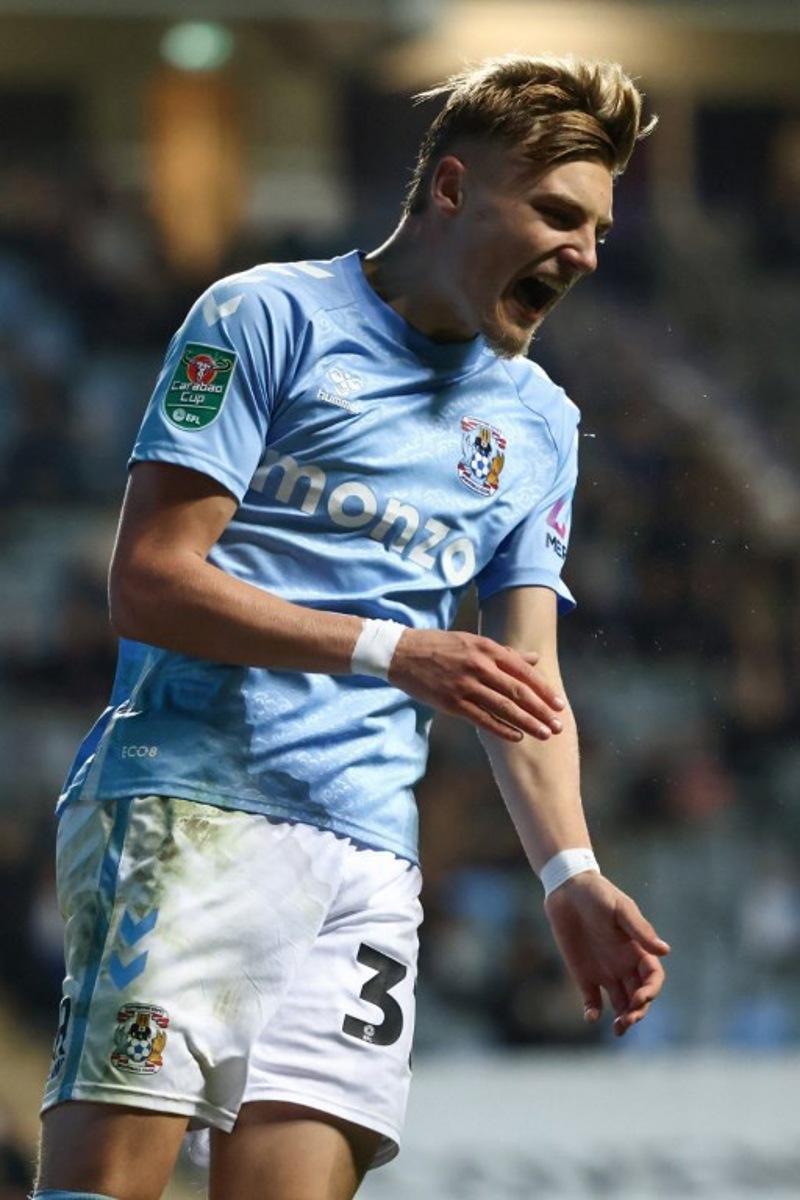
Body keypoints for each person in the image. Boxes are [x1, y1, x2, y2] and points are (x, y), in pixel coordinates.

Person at [36, 53, 670, 1200]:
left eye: (597, 233)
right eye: (555, 214)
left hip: (369, 865)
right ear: (450, 189)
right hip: (192, 810)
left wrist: (568, 871)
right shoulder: (264, 316)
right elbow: (149, 580)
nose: (580, 252)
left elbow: (522, 677)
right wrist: (388, 648)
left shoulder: (537, 423)